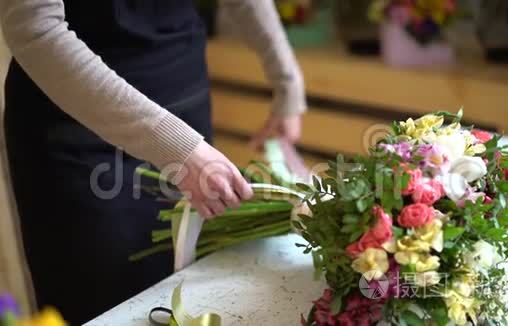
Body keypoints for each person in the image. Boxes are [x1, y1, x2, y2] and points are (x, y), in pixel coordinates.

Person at [0, 0, 306, 324]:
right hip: (77, 135)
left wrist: (287, 81)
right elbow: (34, 26)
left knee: (193, 295)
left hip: (186, 109)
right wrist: (179, 150)